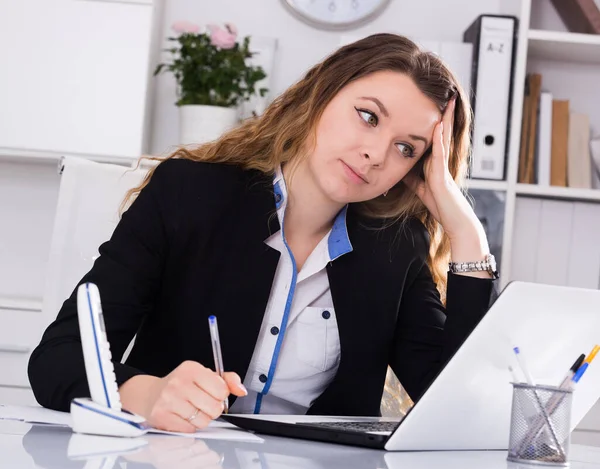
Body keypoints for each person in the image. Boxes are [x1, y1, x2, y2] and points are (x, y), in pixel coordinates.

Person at [28, 33, 498, 433]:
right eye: (368, 116)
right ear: (321, 95)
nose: (377, 154)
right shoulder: (190, 193)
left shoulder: (397, 246)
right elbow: (58, 359)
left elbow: (452, 409)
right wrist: (147, 394)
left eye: (405, 149)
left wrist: (466, 232)